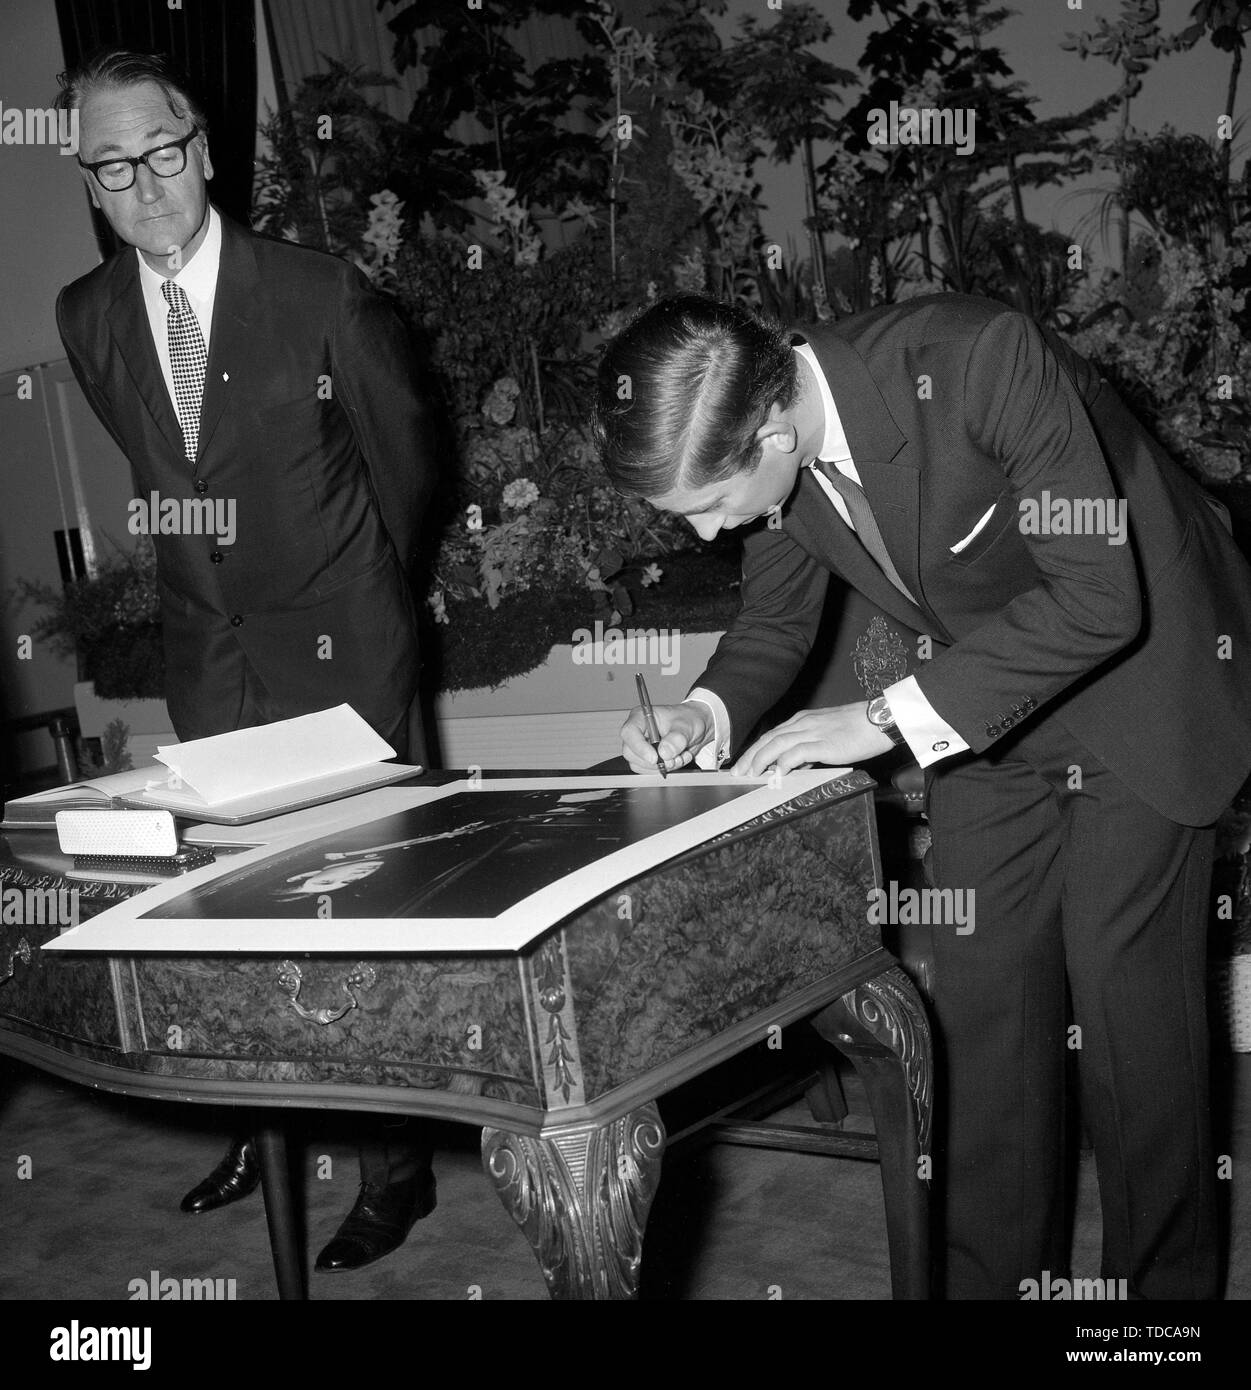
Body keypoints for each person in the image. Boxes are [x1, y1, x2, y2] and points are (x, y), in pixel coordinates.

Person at [594, 291, 1251, 1299]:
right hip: (988, 701)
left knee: (1129, 1019)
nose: (708, 534)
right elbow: (775, 619)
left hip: (1144, 674)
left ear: (773, 431)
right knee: (989, 1012)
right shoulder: (767, 449)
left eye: (705, 508)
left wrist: (881, 719)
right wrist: (706, 712)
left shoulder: (983, 359)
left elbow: (1099, 595)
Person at [54, 48, 438, 1274]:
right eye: (114, 166)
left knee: (362, 913)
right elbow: (165, 463)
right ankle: (261, 1130)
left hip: (344, 645)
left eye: (163, 151)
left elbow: (411, 470)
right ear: (93, 185)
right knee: (235, 912)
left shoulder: (322, 292)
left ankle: (397, 1166)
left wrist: (363, 587)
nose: (147, 184)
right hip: (204, 650)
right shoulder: (87, 315)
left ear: (204, 149)